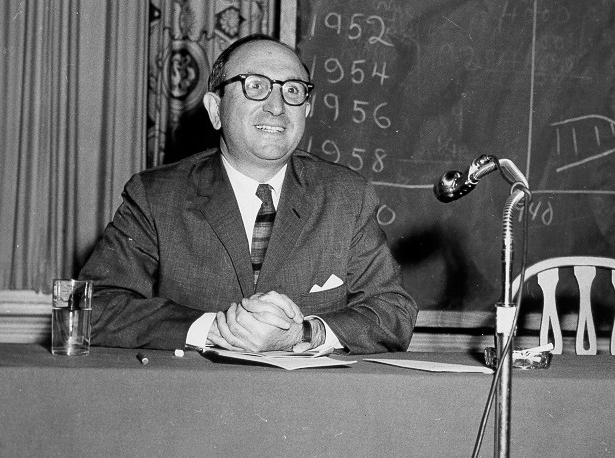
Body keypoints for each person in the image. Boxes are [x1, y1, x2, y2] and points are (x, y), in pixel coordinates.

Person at [78, 34, 417, 354]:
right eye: (256, 86)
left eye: (293, 91)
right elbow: (94, 306)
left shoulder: (346, 197)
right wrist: (217, 329)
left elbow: (393, 313)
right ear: (215, 109)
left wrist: (303, 333)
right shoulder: (156, 196)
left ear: (306, 110)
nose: (276, 106)